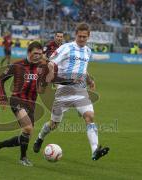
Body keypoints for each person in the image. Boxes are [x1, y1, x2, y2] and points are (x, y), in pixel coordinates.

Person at [33, 23, 110, 161]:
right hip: (64, 91)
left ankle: (95, 151)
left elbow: (82, 69)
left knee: (90, 117)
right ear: (75, 35)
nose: (81, 39)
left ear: (88, 36)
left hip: (81, 91)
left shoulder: (87, 51)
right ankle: (40, 138)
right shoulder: (66, 48)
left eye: (84, 37)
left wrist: (89, 79)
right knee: (54, 124)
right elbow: (51, 62)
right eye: (79, 36)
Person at [0, 41, 47, 166]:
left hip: (32, 103)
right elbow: (0, 80)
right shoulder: (17, 65)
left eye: (40, 54)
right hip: (17, 100)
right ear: (29, 52)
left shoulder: (42, 67)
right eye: (35, 53)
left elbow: (42, 87)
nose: (37, 56)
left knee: (26, 134)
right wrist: (2, 98)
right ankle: (23, 158)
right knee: (27, 128)